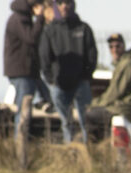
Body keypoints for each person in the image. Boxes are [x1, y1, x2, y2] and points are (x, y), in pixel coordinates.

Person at [39, 0, 97, 144]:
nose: (64, 6)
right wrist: (51, 80)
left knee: (86, 121)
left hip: (81, 83)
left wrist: (85, 76)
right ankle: (70, 148)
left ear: (73, 4)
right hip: (58, 84)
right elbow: (44, 57)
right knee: (66, 122)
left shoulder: (83, 28)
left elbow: (92, 55)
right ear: (56, 6)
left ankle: (87, 150)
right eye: (60, 2)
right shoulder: (50, 30)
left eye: (67, 2)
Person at [3, 0, 52, 139]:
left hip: (29, 71)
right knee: (24, 109)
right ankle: (20, 142)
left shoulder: (23, 18)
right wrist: (41, 18)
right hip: (21, 71)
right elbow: (31, 38)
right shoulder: (19, 19)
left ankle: (25, 139)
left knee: (46, 98)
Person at [93, 33, 131, 125]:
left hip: (129, 108)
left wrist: (94, 104)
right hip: (127, 107)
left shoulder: (126, 65)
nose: (114, 50)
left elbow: (114, 93)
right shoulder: (123, 64)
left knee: (90, 115)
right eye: (111, 47)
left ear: (123, 46)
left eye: (118, 46)